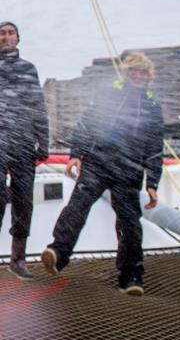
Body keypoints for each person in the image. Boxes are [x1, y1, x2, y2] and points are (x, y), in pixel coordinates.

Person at [42, 52, 163, 296]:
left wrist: (152, 182)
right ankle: (58, 253)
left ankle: (131, 277)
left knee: (130, 225)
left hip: (129, 171)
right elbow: (87, 124)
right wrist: (76, 153)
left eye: (142, 72)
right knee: (77, 207)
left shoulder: (152, 108)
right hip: (98, 163)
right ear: (126, 74)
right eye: (133, 71)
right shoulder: (108, 96)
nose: (138, 75)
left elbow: (154, 147)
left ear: (149, 76)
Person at [0, 21, 49, 279]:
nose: (6, 37)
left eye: (10, 33)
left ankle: (18, 258)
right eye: (2, 33)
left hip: (24, 143)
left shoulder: (28, 69)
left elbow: (38, 106)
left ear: (17, 38)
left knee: (24, 199)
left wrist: (43, 141)